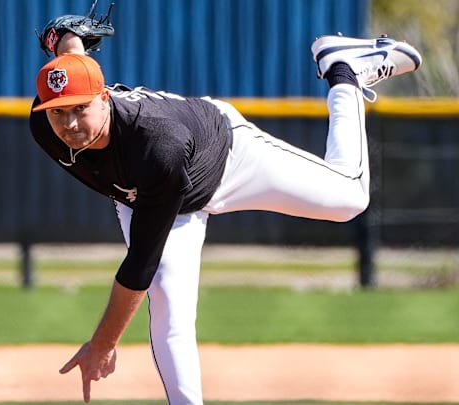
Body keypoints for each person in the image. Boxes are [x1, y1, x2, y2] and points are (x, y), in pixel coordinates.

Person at [28, 30, 421, 404]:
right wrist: (62, 39)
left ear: (103, 97)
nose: (71, 123)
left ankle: (344, 70)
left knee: (349, 198)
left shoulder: (157, 145)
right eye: (58, 112)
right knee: (169, 309)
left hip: (225, 156)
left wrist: (102, 344)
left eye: (80, 108)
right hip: (148, 195)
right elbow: (71, 69)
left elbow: (138, 268)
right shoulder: (46, 124)